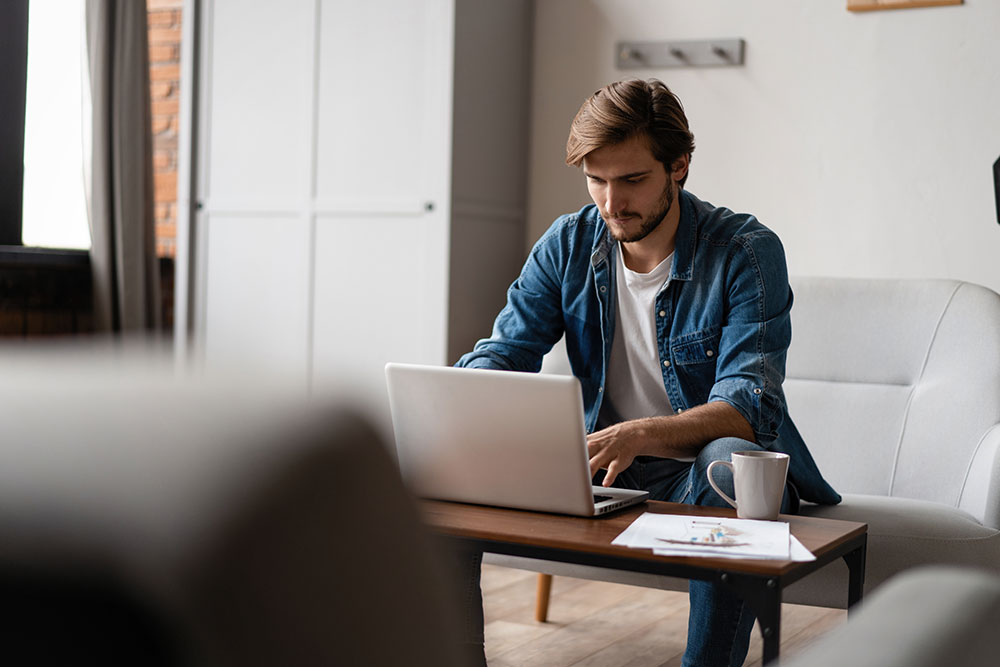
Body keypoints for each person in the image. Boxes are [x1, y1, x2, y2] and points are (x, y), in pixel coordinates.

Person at [454, 78, 841, 667]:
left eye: (632, 179)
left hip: (698, 477)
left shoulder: (744, 251)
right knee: (442, 467)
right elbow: (506, 351)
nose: (611, 202)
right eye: (596, 180)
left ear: (678, 166)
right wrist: (451, 402)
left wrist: (638, 432)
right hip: (602, 474)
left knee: (728, 463)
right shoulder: (568, 243)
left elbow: (747, 405)